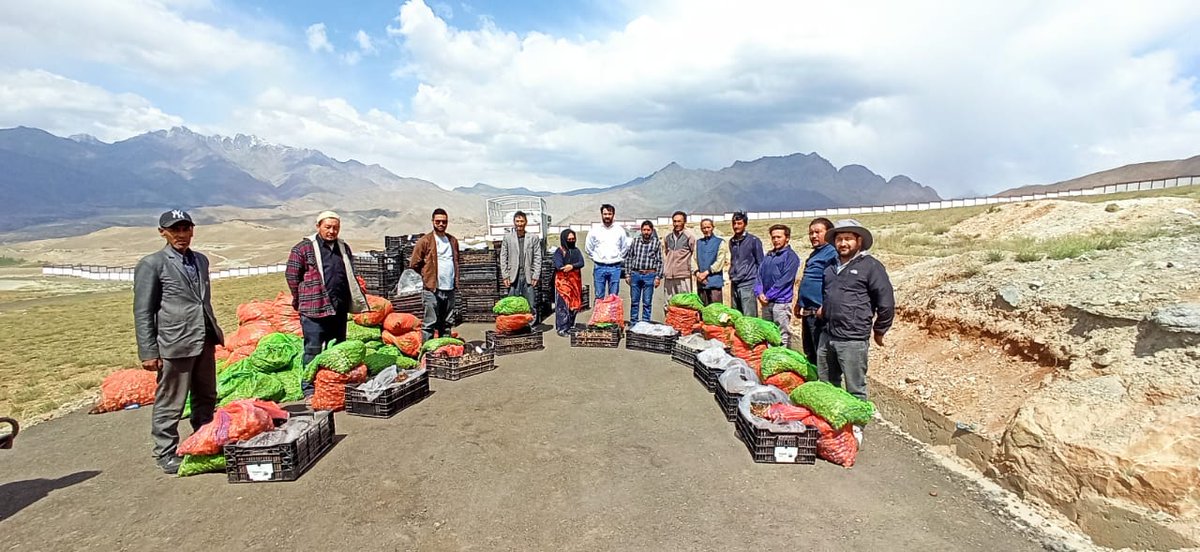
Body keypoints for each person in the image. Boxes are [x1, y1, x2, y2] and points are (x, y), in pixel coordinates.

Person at [134, 209, 225, 474]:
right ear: (163, 232)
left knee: (206, 395)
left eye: (186, 229)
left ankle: (205, 439)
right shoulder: (152, 264)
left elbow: (200, 301)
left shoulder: (201, 260)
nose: (182, 235)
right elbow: (143, 311)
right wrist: (148, 351)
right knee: (171, 400)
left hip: (203, 338)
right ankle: (165, 453)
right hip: (174, 343)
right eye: (175, 230)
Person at [286, 211, 370, 389]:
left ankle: (334, 385)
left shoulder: (343, 247)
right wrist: (301, 297)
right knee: (313, 350)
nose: (332, 231)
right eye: (328, 227)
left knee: (337, 350)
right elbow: (292, 276)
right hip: (313, 309)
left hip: (338, 308)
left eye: (335, 228)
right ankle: (309, 387)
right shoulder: (303, 248)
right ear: (318, 227)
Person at [817, 218, 894, 406]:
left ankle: (855, 431)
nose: (843, 243)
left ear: (858, 241)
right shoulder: (830, 267)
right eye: (839, 239)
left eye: (848, 238)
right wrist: (824, 310)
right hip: (827, 335)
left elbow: (886, 302)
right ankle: (831, 427)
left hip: (852, 339)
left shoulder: (870, 266)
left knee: (855, 390)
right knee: (826, 385)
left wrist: (879, 330)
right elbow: (829, 294)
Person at [410, 208, 460, 341]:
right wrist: (427, 275)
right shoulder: (425, 241)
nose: (441, 224)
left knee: (447, 323)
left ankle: (444, 351)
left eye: (444, 221)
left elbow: (456, 260)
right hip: (432, 289)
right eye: (438, 221)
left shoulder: (452, 241)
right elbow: (414, 263)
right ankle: (427, 354)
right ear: (432, 221)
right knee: (430, 323)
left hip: (449, 288)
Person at [793, 218, 837, 363]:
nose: (813, 236)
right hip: (807, 311)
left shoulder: (832, 253)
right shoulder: (814, 254)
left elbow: (835, 283)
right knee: (809, 351)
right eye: (811, 233)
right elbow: (808, 279)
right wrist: (799, 302)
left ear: (829, 233)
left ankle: (824, 383)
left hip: (819, 312)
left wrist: (825, 305)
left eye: (818, 232)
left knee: (821, 355)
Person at [754, 224, 800, 347]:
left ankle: (780, 360)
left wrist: (768, 295)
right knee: (768, 333)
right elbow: (759, 274)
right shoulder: (769, 255)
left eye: (779, 237)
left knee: (781, 335)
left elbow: (784, 280)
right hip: (766, 302)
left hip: (781, 302)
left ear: (787, 238)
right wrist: (759, 292)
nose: (776, 240)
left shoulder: (791, 257)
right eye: (773, 237)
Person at [499, 210, 542, 315]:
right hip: (513, 276)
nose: (519, 224)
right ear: (514, 222)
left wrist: (536, 275)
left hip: (528, 276)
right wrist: (505, 276)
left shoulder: (533, 238)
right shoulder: (508, 238)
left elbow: (537, 257)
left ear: (526, 222)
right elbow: (503, 257)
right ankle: (514, 327)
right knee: (512, 304)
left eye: (521, 221)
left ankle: (530, 326)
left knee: (530, 304)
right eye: (517, 221)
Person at [584, 203, 629, 300]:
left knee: (613, 297)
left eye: (609, 214)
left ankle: (611, 315)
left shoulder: (619, 230)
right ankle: (600, 315)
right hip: (599, 267)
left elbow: (625, 247)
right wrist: (596, 257)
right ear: (601, 215)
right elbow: (588, 247)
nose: (607, 216)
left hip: (615, 267)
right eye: (605, 214)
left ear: (613, 215)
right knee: (599, 296)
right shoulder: (594, 230)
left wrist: (619, 257)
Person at [622, 220, 663, 324]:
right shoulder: (635, 242)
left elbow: (659, 261)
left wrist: (658, 277)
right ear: (641, 230)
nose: (646, 232)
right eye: (644, 230)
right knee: (634, 302)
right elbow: (629, 258)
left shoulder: (656, 243)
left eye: (648, 230)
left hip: (650, 275)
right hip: (635, 275)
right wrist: (627, 274)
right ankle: (633, 323)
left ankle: (645, 324)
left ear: (652, 231)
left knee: (647, 302)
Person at [727, 211, 764, 317]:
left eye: (739, 223)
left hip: (748, 283)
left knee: (749, 317)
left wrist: (759, 286)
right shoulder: (732, 242)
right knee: (736, 316)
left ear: (745, 224)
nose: (736, 226)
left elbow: (760, 263)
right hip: (735, 282)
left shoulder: (753, 241)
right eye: (734, 223)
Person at [552, 229, 585, 336]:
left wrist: (572, 266)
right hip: (563, 282)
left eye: (573, 239)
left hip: (575, 283)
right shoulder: (559, 251)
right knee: (563, 305)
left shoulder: (576, 251)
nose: (571, 241)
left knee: (574, 305)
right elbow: (558, 264)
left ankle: (570, 325)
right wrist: (566, 267)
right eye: (569, 239)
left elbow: (581, 262)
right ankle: (562, 328)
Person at [692, 218, 728, 306]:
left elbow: (720, 261)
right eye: (704, 228)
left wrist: (706, 272)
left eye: (708, 227)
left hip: (714, 282)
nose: (706, 230)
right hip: (701, 282)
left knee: (716, 311)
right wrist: (697, 274)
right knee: (702, 310)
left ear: (713, 227)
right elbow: (693, 259)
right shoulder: (698, 243)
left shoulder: (720, 242)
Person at [661, 211, 696, 296]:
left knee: (684, 303)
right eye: (674, 221)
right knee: (669, 304)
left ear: (684, 222)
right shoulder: (668, 237)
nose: (676, 224)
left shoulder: (689, 236)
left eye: (679, 221)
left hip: (683, 276)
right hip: (669, 276)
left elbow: (694, 254)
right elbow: (666, 252)